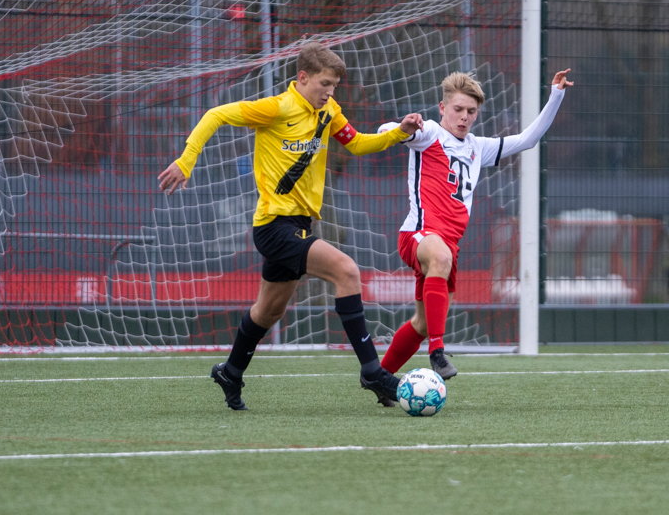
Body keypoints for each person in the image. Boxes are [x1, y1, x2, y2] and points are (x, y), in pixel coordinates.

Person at [158, 42, 424, 410]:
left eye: (334, 86)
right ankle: (372, 372)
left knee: (267, 311)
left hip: (298, 225)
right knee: (347, 271)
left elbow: (359, 144)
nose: (330, 92)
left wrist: (400, 132)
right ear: (302, 78)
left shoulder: (328, 111)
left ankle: (230, 372)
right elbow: (215, 115)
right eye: (324, 84)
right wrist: (187, 161)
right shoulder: (276, 108)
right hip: (274, 226)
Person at [379, 69, 574, 380]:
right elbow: (384, 129)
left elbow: (528, 139)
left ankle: (378, 376)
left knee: (423, 322)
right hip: (418, 235)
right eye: (458, 109)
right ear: (442, 108)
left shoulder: (477, 147)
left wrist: (556, 95)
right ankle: (437, 353)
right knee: (441, 259)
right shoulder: (428, 133)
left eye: (471, 111)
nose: (464, 117)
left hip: (447, 245)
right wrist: (401, 127)